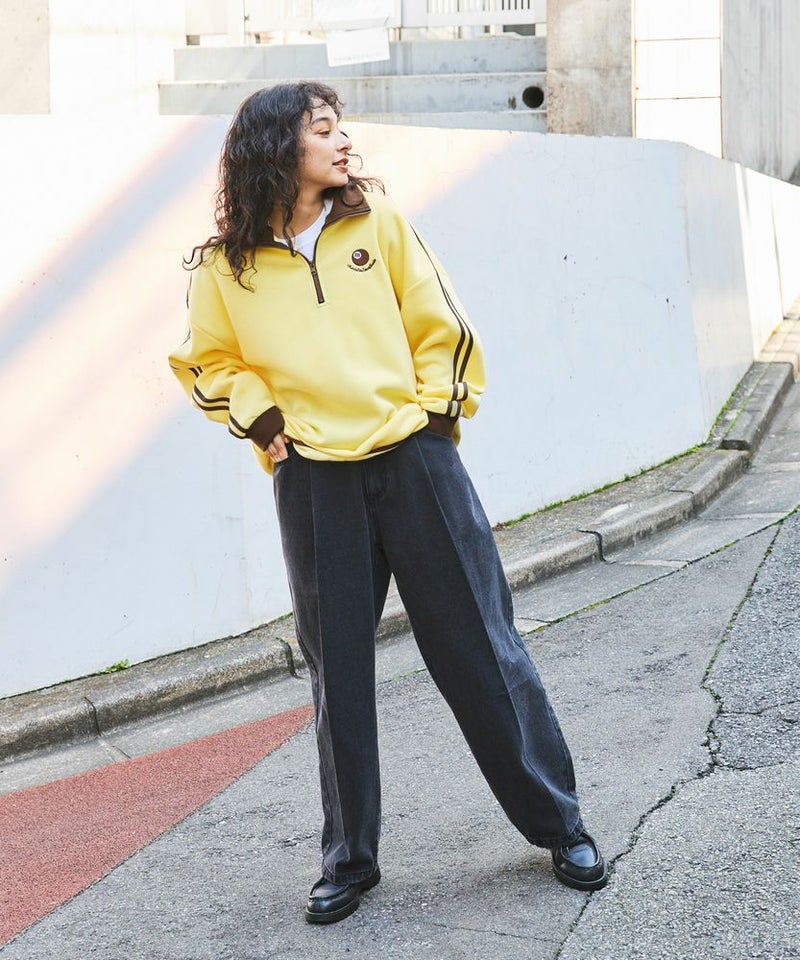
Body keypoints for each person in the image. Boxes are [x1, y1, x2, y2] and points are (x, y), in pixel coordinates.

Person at [169, 81, 607, 925]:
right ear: (276, 148)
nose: (342, 142)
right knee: (338, 674)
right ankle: (350, 860)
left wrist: (434, 421)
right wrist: (264, 421)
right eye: (322, 130)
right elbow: (205, 362)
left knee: (482, 648)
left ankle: (561, 825)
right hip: (314, 481)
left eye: (339, 129)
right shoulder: (226, 267)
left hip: (414, 463)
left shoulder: (379, 225)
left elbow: (441, 324)